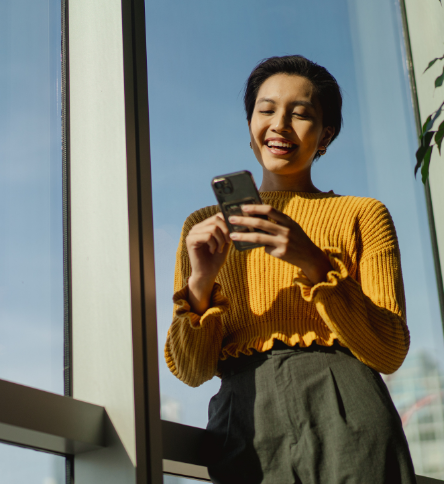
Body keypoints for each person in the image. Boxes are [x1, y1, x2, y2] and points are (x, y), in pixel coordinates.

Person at [163, 55, 416, 484]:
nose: (279, 124)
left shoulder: (363, 215)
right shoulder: (202, 228)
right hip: (243, 419)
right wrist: (201, 282)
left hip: (345, 404)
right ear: (250, 125)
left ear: (325, 135)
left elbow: (389, 351)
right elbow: (191, 372)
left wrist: (314, 262)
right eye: (266, 110)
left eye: (300, 114)